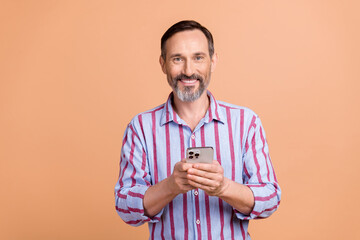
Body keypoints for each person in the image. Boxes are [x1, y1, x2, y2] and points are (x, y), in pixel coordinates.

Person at [115, 20, 281, 240]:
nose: (188, 70)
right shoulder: (140, 128)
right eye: (177, 59)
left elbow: (270, 198)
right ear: (163, 64)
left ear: (212, 62)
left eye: (198, 57)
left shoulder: (246, 122)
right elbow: (125, 208)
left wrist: (224, 188)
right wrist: (170, 187)